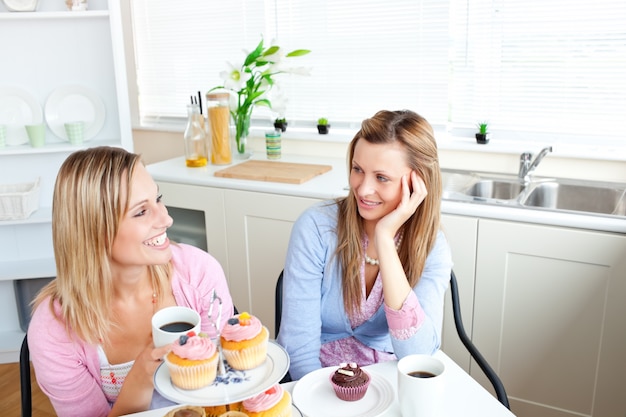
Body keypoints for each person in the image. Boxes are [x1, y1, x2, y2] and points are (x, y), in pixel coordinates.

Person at [28, 146, 234, 417]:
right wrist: (142, 375)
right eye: (141, 212)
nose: (167, 218)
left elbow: (227, 386)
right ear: (93, 230)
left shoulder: (198, 273)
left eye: (158, 198)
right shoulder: (54, 330)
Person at [276, 110, 453, 380]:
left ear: (418, 183)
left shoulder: (432, 246)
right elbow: (298, 349)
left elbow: (419, 356)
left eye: (382, 177)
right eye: (358, 170)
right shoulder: (315, 228)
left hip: (389, 381)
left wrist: (384, 239)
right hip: (316, 381)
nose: (363, 189)